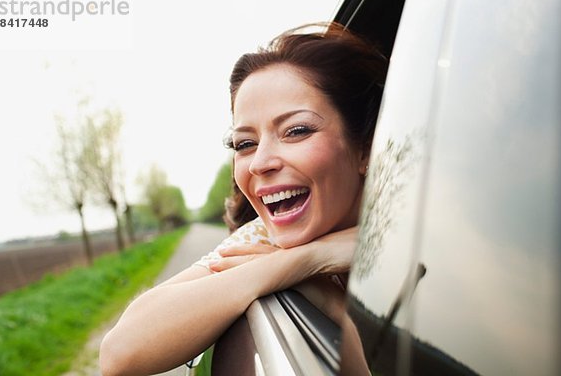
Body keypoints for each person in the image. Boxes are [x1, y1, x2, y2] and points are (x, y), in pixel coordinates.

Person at [99, 22, 387, 376]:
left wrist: (327, 298)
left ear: (365, 149)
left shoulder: (425, 240)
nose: (261, 162)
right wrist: (307, 260)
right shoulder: (262, 239)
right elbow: (119, 352)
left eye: (296, 131)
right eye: (245, 144)